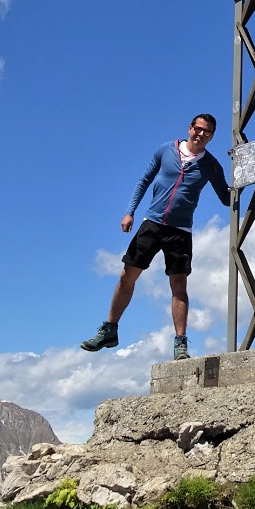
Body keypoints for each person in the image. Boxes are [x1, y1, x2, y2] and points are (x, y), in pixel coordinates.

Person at [81, 114, 230, 360]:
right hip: (152, 223)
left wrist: (246, 177)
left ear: (212, 136)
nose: (201, 134)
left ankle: (180, 344)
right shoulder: (166, 150)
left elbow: (226, 198)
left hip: (181, 230)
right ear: (190, 128)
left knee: (179, 285)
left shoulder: (211, 166)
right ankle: (110, 329)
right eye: (198, 129)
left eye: (208, 132)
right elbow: (144, 180)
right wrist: (130, 212)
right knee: (127, 274)